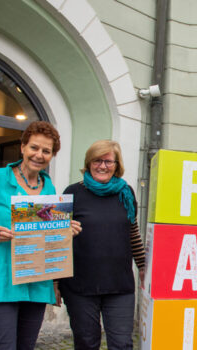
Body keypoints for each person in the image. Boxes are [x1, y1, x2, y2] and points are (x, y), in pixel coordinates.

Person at [0, 121, 82, 350]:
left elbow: (46, 237)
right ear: (23, 147)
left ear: (52, 155)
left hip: (34, 283)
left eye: (46, 151)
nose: (39, 155)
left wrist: (64, 231)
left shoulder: (48, 188)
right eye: (34, 147)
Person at [56, 140, 145, 350]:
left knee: (122, 343)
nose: (102, 166)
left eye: (108, 161)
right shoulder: (71, 192)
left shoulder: (126, 193)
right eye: (97, 160)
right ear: (88, 163)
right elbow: (56, 238)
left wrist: (142, 265)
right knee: (86, 343)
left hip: (119, 284)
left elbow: (132, 231)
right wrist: (55, 281)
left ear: (117, 165)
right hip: (79, 285)